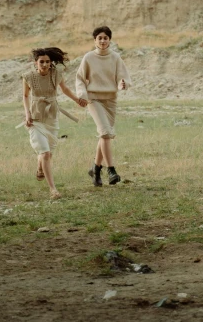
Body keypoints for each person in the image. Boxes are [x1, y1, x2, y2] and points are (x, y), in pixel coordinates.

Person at [22, 46, 87, 199]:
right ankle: (53, 189)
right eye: (41, 62)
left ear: (51, 63)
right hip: (36, 119)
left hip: (52, 117)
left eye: (47, 62)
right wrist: (27, 114)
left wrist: (77, 100)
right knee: (45, 153)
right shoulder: (27, 77)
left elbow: (64, 89)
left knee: (47, 154)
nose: (44, 64)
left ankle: (40, 168)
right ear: (35, 63)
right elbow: (25, 96)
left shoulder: (56, 74)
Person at [76, 26, 131, 187]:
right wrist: (82, 94)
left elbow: (124, 77)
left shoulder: (115, 57)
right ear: (95, 40)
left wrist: (123, 84)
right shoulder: (88, 58)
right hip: (94, 99)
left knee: (104, 135)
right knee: (106, 133)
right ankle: (111, 170)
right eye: (99, 38)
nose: (102, 41)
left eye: (105, 38)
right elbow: (79, 78)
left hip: (111, 100)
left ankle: (95, 169)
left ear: (110, 40)